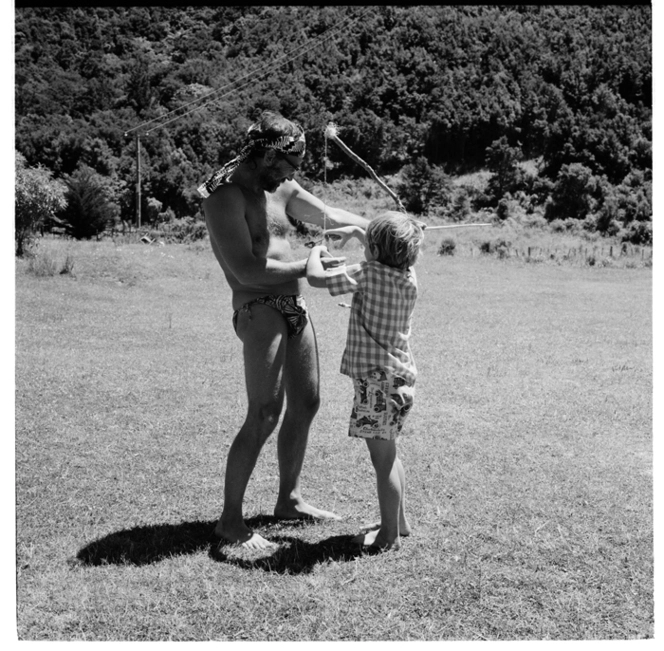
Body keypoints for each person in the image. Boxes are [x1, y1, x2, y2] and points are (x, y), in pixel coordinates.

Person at [199, 110, 369, 550]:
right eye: (290, 165)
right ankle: (230, 522)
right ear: (269, 156)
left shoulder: (282, 187)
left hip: (293, 303)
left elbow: (328, 214)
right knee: (264, 412)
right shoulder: (225, 197)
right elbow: (246, 268)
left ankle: (288, 500)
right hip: (257, 306)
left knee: (308, 401)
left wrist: (380, 228)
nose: (294, 175)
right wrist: (307, 267)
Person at [305, 211, 424, 551]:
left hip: (376, 384)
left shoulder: (368, 273)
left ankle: (387, 538)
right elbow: (387, 249)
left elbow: (316, 278)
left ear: (372, 250)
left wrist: (316, 248)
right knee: (390, 453)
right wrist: (360, 232)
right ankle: (397, 523)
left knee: (382, 461)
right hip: (398, 380)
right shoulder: (408, 275)